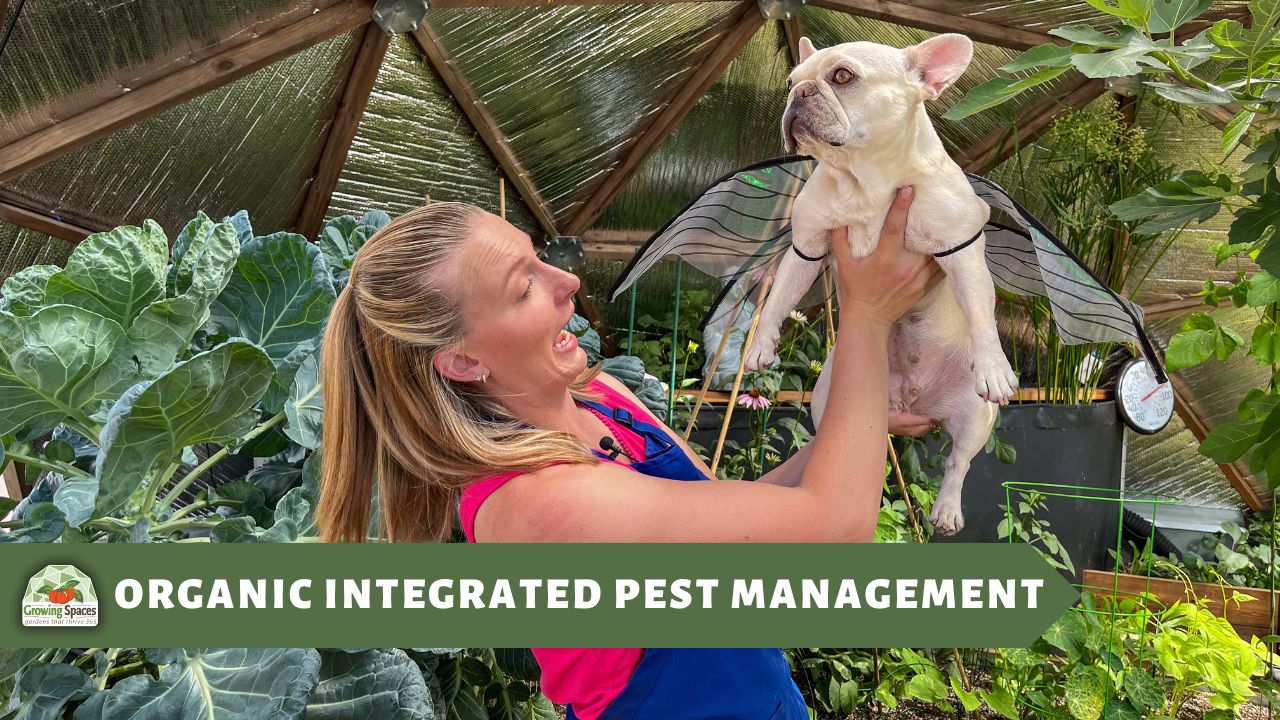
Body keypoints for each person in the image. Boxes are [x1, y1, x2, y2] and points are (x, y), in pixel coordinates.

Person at [317, 186, 941, 719]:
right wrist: (868, 312)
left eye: (540, 258)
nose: (567, 282)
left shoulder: (601, 397)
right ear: (463, 361)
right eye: (522, 288)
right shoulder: (542, 502)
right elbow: (836, 531)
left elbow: (744, 522)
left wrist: (859, 419)